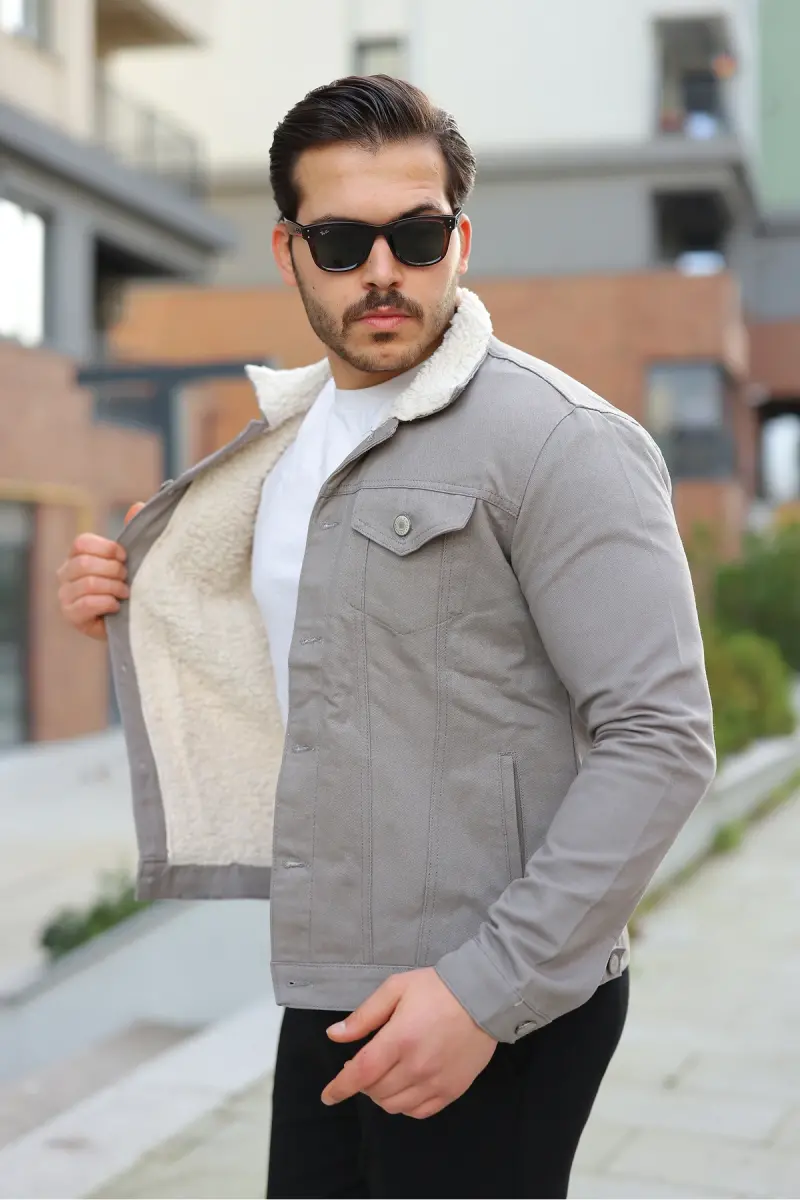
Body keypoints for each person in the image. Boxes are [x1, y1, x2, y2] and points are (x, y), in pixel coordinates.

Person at [57, 75, 715, 1199]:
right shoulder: (284, 444)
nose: (381, 270)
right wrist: (130, 595)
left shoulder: (562, 442)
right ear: (289, 251)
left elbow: (661, 738)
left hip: (492, 996)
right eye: (340, 240)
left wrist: (483, 993)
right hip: (328, 975)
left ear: (460, 240)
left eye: (415, 236)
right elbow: (310, 652)